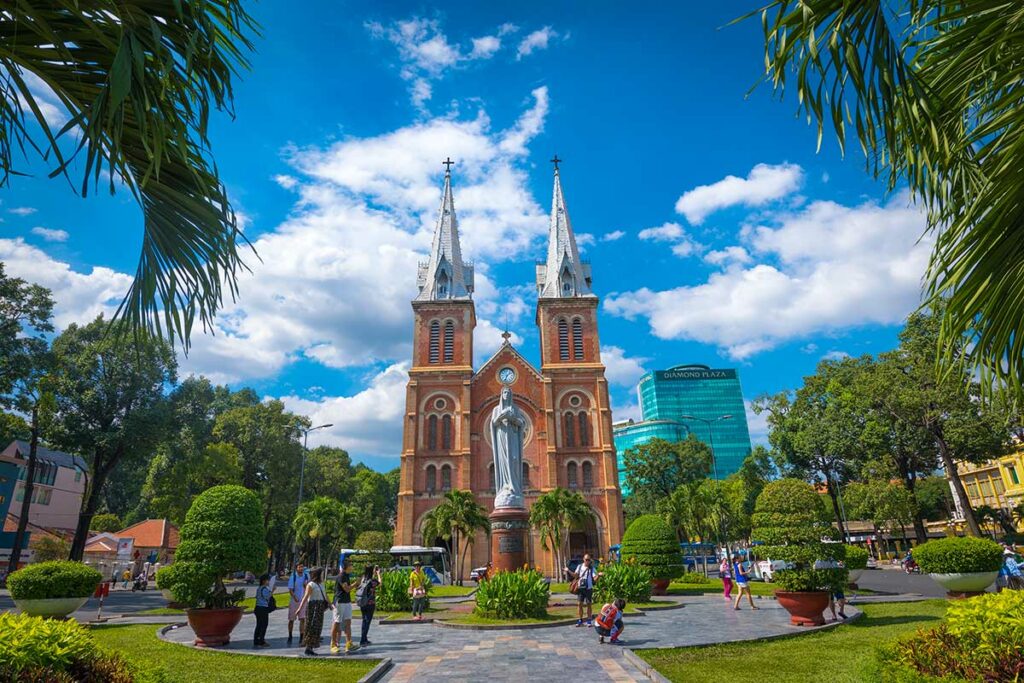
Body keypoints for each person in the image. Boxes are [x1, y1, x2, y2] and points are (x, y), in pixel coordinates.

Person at [295, 567, 329, 656]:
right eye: (321, 574)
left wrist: (330, 604)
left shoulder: (321, 584)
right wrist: (299, 608)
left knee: (318, 627)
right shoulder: (310, 584)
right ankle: (308, 647)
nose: (323, 575)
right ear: (317, 575)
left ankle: (311, 647)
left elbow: (325, 595)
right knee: (311, 626)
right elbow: (305, 597)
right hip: (313, 607)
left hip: (320, 607)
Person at [330, 558, 358, 654]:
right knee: (336, 623)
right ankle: (333, 644)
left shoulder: (346, 575)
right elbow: (346, 589)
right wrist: (356, 584)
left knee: (348, 622)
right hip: (340, 602)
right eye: (351, 565)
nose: (352, 567)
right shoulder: (341, 576)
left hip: (347, 602)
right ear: (347, 567)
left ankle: (349, 643)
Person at [356, 564, 382, 647]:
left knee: (364, 620)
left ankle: (364, 638)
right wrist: (378, 573)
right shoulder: (372, 581)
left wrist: (373, 572)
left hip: (362, 603)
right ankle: (363, 640)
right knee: (367, 621)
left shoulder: (363, 579)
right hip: (370, 604)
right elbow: (380, 583)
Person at [569, 553, 598, 627]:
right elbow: (575, 575)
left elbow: (594, 579)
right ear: (583, 559)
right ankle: (580, 620)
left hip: (588, 588)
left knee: (589, 604)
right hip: (580, 588)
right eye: (586, 560)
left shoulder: (592, 568)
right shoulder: (579, 567)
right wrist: (568, 570)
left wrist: (598, 576)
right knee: (579, 604)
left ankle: (589, 620)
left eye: (589, 560)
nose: (587, 561)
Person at [287, 562, 309, 645]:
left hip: (303, 601)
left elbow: (308, 588)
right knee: (291, 619)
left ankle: (301, 637)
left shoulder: (306, 576)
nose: (301, 568)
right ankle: (290, 635)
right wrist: (294, 597)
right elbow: (290, 590)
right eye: (299, 567)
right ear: (296, 568)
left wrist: (305, 586)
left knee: (302, 619)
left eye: (302, 567)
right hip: (294, 601)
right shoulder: (293, 577)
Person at [253, 574, 273, 648]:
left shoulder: (259, 588)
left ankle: (256, 640)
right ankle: (261, 641)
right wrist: (273, 590)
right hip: (263, 608)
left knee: (259, 625)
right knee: (264, 625)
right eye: (268, 580)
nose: (269, 582)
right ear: (264, 581)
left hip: (258, 608)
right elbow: (267, 597)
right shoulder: (264, 589)